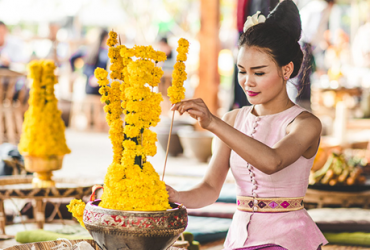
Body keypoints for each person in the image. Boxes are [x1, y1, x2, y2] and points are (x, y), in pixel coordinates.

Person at [166, 1, 328, 249]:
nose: (247, 82)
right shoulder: (233, 120)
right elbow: (210, 188)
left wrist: (213, 123)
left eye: (259, 73)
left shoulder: (304, 124)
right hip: (239, 238)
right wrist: (175, 197)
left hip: (288, 239)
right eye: (242, 71)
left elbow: (272, 162)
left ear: (287, 70)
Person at [69, 28, 109, 95]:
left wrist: (73, 71)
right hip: (96, 86)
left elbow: (72, 58)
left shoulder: (88, 49)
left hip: (91, 85)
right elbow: (72, 58)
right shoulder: (103, 52)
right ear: (105, 37)